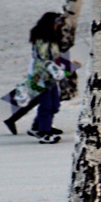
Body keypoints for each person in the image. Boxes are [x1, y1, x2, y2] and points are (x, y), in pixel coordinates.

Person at [23, 12, 66, 144]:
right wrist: (52, 69)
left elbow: (54, 57)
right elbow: (42, 60)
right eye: (56, 22)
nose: (58, 25)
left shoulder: (51, 39)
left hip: (51, 76)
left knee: (55, 105)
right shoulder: (42, 39)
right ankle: (44, 131)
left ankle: (38, 126)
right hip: (41, 77)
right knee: (46, 105)